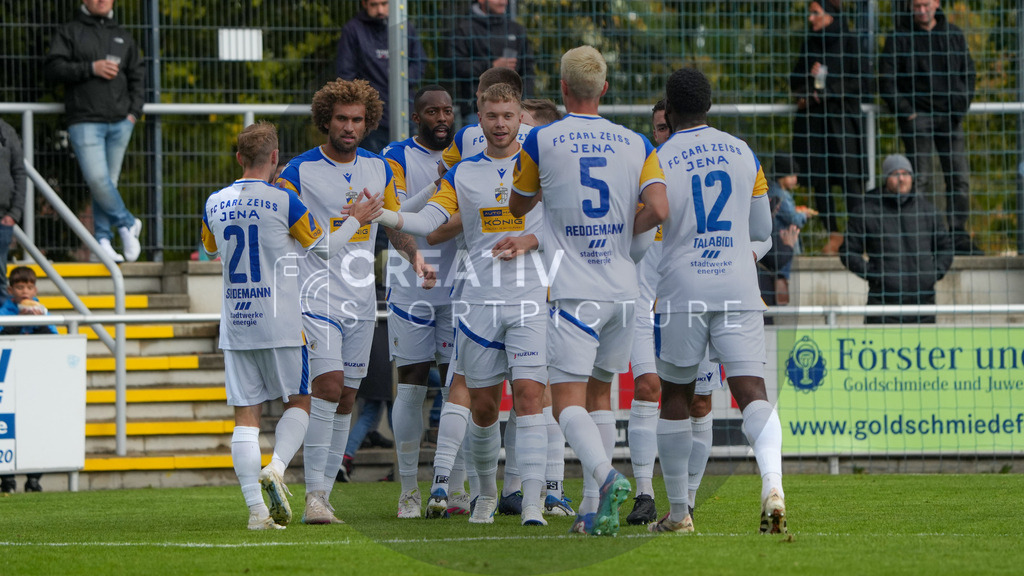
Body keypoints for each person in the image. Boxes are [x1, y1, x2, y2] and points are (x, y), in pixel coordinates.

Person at [510, 45, 669, 536]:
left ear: (562, 88)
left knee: (567, 403)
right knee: (602, 395)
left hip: (576, 292)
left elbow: (518, 206)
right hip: (625, 290)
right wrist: (623, 231)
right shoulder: (636, 142)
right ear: (604, 89)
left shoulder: (541, 139)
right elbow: (659, 209)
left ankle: (604, 476)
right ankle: (590, 509)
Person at [376, 83, 551, 526]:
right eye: (492, 116)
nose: (500, 124)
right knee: (484, 406)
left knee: (530, 397)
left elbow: (565, 222)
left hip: (529, 297)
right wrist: (383, 215)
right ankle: (486, 496)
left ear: (518, 119)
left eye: (508, 116)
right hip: (476, 302)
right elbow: (428, 222)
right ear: (480, 117)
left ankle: (533, 503)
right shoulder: (464, 173)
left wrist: (530, 239)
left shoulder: (542, 167)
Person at [201, 121, 383, 530]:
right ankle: (277, 468)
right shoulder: (284, 200)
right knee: (300, 402)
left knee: (245, 417)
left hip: (236, 323)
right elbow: (327, 248)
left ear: (238, 158)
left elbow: (210, 247)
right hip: (282, 322)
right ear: (274, 159)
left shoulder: (215, 202)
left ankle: (256, 513)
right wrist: (355, 219)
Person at [274, 79, 426, 525]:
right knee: (328, 385)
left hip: (361, 301)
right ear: (326, 119)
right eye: (341, 118)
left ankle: (324, 493)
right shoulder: (297, 171)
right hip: (314, 296)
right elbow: (280, 226)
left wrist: (415, 259)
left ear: (368, 122)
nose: (349, 126)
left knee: (348, 398)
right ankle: (314, 498)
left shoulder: (379, 169)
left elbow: (392, 223)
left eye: (357, 119)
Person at [654, 67, 785, 534]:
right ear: (709, 105)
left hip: (683, 287)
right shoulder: (743, 152)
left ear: (667, 110)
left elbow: (651, 227)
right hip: (737, 284)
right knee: (751, 392)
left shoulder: (661, 156)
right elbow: (763, 233)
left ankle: (678, 514)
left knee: (676, 395)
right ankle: (773, 484)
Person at [626, 99, 725, 526]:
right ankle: (644, 493)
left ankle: (685, 499)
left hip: (692, 305)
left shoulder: (710, 179)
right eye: (658, 130)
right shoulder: (639, 178)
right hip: (644, 306)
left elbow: (759, 236)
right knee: (650, 388)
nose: (663, 136)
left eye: (668, 127)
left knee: (700, 404)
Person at [380, 85, 458, 519]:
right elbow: (391, 219)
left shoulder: (468, 148)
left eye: (447, 110)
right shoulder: (395, 155)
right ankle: (409, 489)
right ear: (417, 117)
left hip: (459, 285)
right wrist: (415, 257)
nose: (441, 118)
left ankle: (455, 486)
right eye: (432, 111)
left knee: (457, 385)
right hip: (412, 287)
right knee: (410, 381)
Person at [45, 0, 144, 263]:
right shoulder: (70, 31)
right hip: (84, 120)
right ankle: (127, 222)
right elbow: (54, 68)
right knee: (99, 181)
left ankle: (102, 239)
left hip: (121, 122)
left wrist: (133, 113)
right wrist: (91, 68)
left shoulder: (123, 35)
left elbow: (138, 75)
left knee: (107, 184)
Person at [879, 0, 978, 255]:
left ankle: (957, 233)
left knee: (958, 178)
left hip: (950, 117)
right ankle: (921, 236)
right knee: (918, 180)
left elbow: (969, 72)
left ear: (936, 3)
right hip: (917, 118)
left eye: (925, 4)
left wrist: (958, 107)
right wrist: (907, 113)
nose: (921, 10)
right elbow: (887, 80)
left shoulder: (953, 34)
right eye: (916, 6)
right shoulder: (899, 36)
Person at [790, 0, 867, 256]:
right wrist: (810, 82)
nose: (811, 18)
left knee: (851, 180)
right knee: (820, 181)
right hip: (814, 125)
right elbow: (795, 82)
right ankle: (834, 235)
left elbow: (862, 80)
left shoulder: (850, 40)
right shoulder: (810, 43)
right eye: (810, 13)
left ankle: (858, 238)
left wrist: (830, 91)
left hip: (844, 122)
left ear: (830, 15)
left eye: (815, 13)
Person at [839, 154, 953, 324]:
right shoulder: (867, 211)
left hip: (923, 307)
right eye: (895, 174)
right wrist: (875, 275)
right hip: (883, 306)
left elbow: (945, 248)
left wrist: (933, 273)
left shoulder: (928, 211)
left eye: (906, 174)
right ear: (886, 178)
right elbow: (848, 251)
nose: (901, 179)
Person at [335, 0, 426, 153]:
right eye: (374, 5)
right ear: (364, 4)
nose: (380, 10)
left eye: (385, 4)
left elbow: (419, 61)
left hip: (405, 112)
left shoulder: (405, 27)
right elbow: (346, 73)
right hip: (371, 120)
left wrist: (401, 81)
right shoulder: (353, 30)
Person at [0, 267, 57, 494]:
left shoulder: (42, 311)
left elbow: (54, 338)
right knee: (6, 428)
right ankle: (7, 480)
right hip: (8, 380)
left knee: (35, 426)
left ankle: (34, 479)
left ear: (35, 290)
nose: (25, 291)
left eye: (29, 287)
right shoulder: (5, 310)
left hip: (34, 381)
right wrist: (17, 321)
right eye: (20, 287)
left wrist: (39, 322)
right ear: (10, 290)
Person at [446, 0, 534, 125]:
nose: (503, 2)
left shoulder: (517, 30)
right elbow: (452, 66)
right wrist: (491, 66)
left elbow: (528, 70)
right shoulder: (463, 29)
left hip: (514, 110)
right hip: (477, 110)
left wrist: (525, 104)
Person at [764, 155, 813, 306]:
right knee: (781, 276)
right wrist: (804, 215)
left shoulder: (776, 192)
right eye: (792, 175)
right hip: (781, 245)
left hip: (777, 248)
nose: (795, 179)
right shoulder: (779, 195)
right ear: (782, 175)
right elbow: (792, 218)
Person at [0, 120, 27, 303]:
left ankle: (5, 328)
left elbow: (19, 173)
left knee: (0, 278)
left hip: (2, 218)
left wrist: (14, 213)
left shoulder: (7, 131)